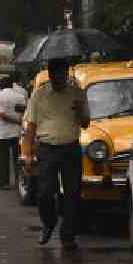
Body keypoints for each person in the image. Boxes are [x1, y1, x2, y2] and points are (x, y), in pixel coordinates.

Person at [23, 58, 90, 249]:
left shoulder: (78, 94)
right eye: (55, 76)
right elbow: (31, 127)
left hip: (70, 149)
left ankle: (67, 236)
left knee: (72, 194)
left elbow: (85, 123)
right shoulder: (39, 95)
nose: (58, 80)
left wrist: (80, 112)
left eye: (62, 76)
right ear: (50, 75)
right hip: (46, 149)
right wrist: (27, 155)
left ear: (67, 74)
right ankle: (49, 223)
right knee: (44, 193)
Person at [0, 76, 26, 190]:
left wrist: (13, 120)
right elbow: (24, 113)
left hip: (3, 134)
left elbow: (0, 114)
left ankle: (3, 182)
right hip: (17, 132)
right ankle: (19, 181)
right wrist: (18, 120)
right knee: (18, 158)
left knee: (3, 158)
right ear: (12, 85)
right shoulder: (20, 97)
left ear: (1, 86)